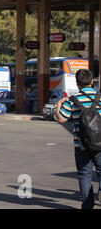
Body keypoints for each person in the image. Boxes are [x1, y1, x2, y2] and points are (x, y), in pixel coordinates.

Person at [56, 69, 101, 209]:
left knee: (84, 174)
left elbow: (62, 118)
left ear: (77, 83)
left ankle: (87, 205)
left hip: (81, 145)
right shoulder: (100, 97)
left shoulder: (72, 99)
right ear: (92, 81)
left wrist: (58, 105)